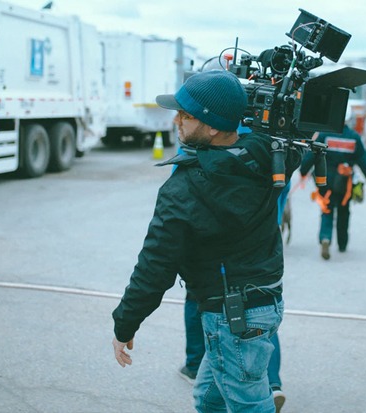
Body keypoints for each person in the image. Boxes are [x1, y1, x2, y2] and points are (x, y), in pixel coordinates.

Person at [111, 70, 302, 412]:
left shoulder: (183, 188)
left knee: (249, 404)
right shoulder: (268, 155)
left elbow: (155, 265)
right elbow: (293, 143)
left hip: (231, 318)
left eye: (186, 115)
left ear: (212, 126)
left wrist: (125, 322)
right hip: (265, 303)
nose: (178, 121)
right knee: (207, 400)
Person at [299, 109, 366, 260]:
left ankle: (325, 238)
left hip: (325, 180)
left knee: (326, 210)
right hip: (344, 183)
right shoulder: (354, 137)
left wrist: (303, 171)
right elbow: (364, 160)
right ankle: (342, 243)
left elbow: (312, 155)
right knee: (344, 212)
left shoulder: (324, 135)